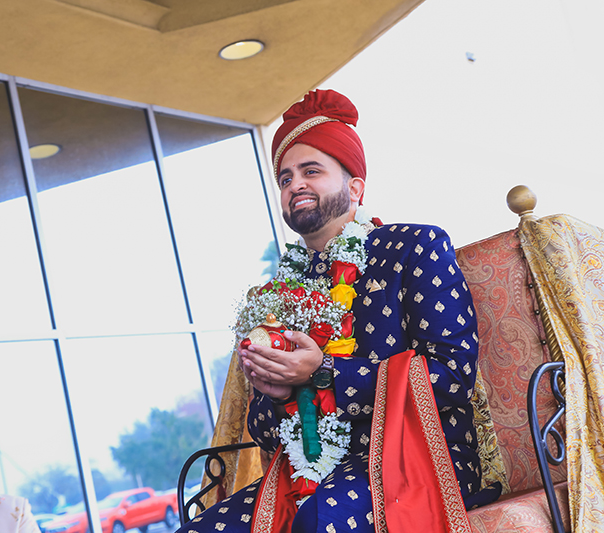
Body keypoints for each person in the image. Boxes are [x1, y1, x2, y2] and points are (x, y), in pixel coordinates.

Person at [176, 90, 501, 533]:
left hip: (418, 453)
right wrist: (275, 393)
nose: (296, 185)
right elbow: (269, 437)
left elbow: (451, 375)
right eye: (286, 179)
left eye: (312, 171)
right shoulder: (281, 293)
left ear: (355, 187)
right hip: (311, 469)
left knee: (319, 521)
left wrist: (322, 371)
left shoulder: (414, 247)